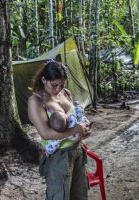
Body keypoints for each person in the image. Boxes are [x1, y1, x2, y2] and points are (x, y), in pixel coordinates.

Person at [28, 59, 90, 200]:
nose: (58, 89)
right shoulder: (36, 101)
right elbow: (46, 134)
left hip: (77, 151)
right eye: (54, 85)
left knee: (79, 194)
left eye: (61, 85)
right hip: (58, 156)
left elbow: (75, 119)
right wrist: (75, 130)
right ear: (44, 80)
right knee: (59, 195)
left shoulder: (66, 93)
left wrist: (83, 131)